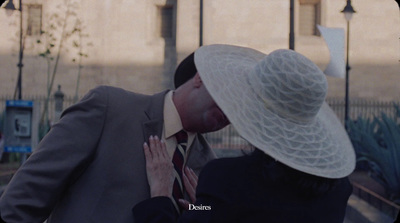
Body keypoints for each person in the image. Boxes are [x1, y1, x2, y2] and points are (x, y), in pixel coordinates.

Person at [133, 44, 356, 222]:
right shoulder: (339, 191)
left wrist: (161, 196)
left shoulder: (227, 181)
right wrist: (200, 206)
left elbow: (228, 208)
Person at [0, 50, 229, 222]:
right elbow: (26, 196)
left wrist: (200, 209)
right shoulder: (109, 109)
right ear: (201, 77)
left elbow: (210, 211)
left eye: (241, 110)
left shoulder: (211, 166)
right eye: (230, 97)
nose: (231, 114)